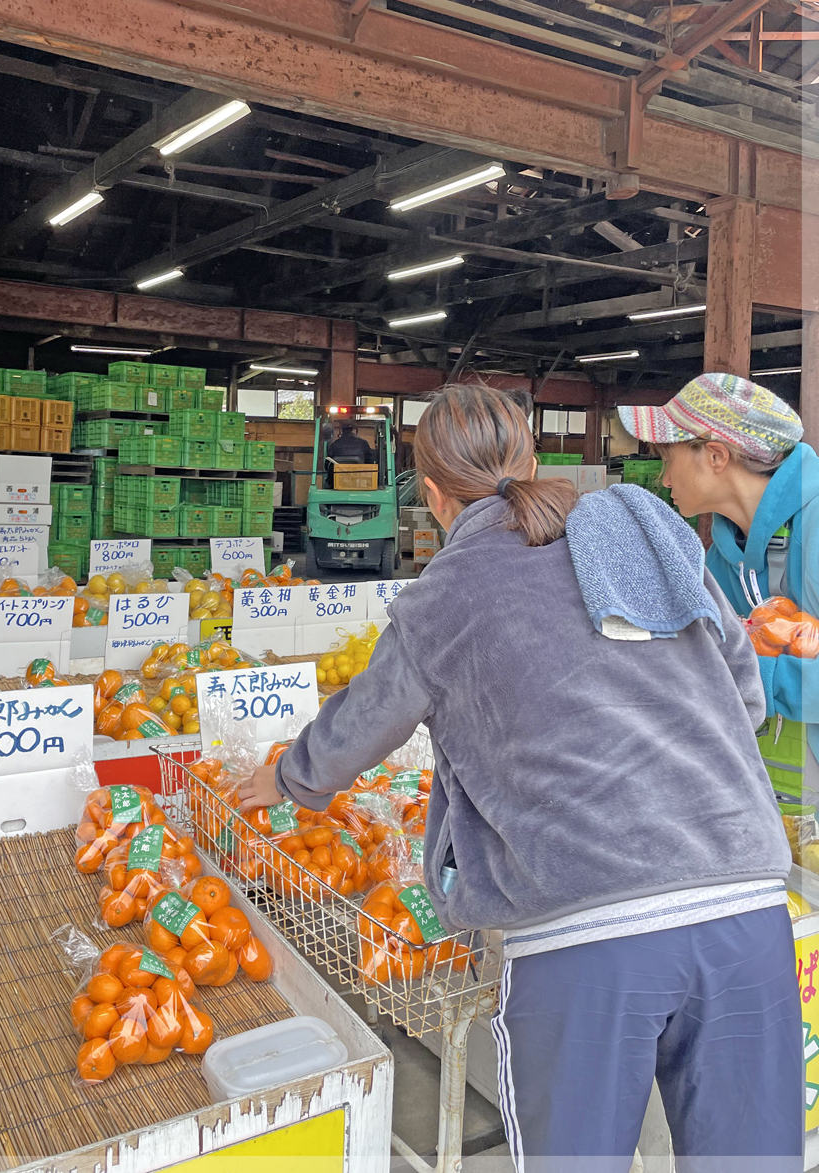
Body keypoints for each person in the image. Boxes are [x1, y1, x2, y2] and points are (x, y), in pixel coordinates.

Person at [240, 383, 800, 1169]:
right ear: (532, 460)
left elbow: (364, 722)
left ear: (432, 494)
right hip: (744, 906)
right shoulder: (650, 536)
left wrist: (288, 778)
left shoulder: (444, 595)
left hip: (590, 937)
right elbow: (739, 692)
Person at [618, 372, 818, 813]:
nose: (664, 479)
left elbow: (717, 668)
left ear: (714, 456)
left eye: (667, 458)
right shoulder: (722, 555)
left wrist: (746, 677)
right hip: (770, 801)